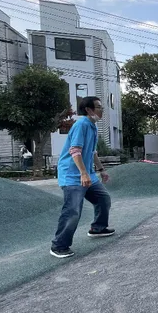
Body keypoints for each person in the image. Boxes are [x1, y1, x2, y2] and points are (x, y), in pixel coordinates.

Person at [51, 96, 114, 259]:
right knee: (73, 210)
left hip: (87, 174)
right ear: (88, 109)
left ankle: (98, 228)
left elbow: (92, 152)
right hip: (72, 176)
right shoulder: (81, 125)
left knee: (103, 199)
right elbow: (75, 151)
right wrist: (83, 173)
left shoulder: (92, 126)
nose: (102, 110)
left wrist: (101, 170)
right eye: (99, 107)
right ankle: (59, 245)